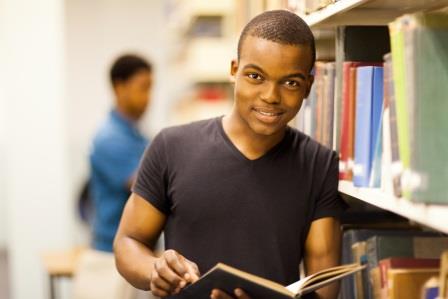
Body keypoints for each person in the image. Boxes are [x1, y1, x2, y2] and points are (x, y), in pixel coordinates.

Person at [114, 10, 346, 299]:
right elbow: (128, 241)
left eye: (290, 83)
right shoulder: (171, 146)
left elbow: (323, 286)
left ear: (308, 87)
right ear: (234, 70)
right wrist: (154, 270)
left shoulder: (319, 164)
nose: (271, 96)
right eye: (255, 76)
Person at [73, 54, 152, 299]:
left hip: (136, 254)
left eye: (151, 88)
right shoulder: (109, 138)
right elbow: (149, 187)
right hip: (111, 256)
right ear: (119, 87)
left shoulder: (136, 135)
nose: (149, 98)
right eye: (143, 88)